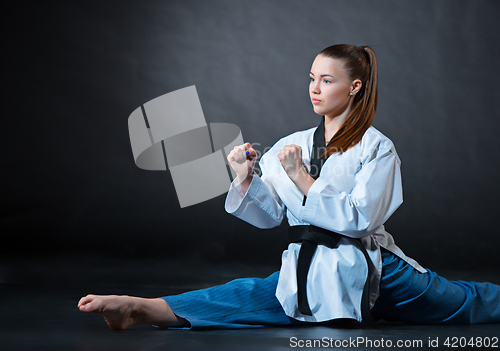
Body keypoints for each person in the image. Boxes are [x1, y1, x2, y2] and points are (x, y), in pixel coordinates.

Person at [77, 44, 500, 330]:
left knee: (461, 304)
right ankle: (140, 308)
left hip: (375, 268)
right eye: (312, 78)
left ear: (355, 87)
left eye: (327, 80)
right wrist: (244, 178)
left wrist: (302, 178)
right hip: (309, 264)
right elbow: (271, 216)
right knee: (245, 295)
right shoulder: (290, 144)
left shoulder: (377, 147)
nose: (315, 89)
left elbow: (360, 219)